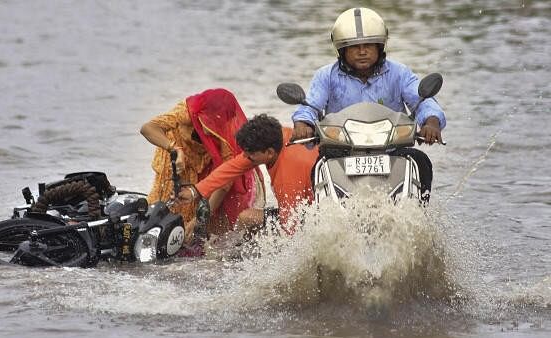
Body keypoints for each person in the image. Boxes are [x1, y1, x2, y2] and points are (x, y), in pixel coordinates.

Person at [291, 7, 446, 144]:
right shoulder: (325, 76)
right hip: (338, 151)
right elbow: (310, 106)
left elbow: (422, 101)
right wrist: (303, 124)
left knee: (422, 164)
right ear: (342, 50)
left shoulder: (400, 73)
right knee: (317, 174)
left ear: (379, 47)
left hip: (393, 150)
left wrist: (431, 122)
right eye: (355, 47)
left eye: (369, 45)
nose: (362, 52)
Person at [140, 88, 264, 244]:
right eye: (212, 120)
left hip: (201, 170)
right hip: (173, 161)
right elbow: (148, 128)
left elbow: (225, 180)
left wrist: (200, 220)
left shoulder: (224, 130)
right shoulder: (186, 112)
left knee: (191, 223)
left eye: (220, 122)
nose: (216, 125)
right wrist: (174, 149)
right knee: (160, 210)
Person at [176, 114, 319, 235]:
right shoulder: (282, 136)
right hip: (307, 202)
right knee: (247, 218)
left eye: (250, 154)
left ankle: (236, 257)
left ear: (269, 153)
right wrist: (195, 190)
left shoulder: (287, 177)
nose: (245, 157)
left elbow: (290, 226)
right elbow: (231, 168)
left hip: (311, 217)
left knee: (247, 219)